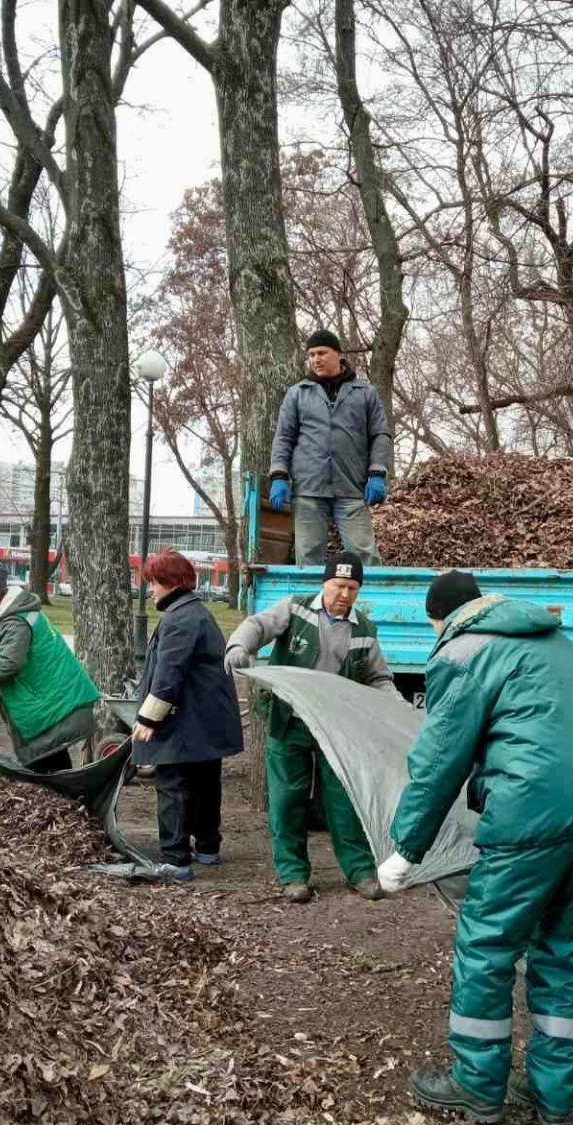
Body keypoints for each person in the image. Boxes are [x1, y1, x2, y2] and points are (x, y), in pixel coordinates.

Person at [377, 572, 573, 1125]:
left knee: (487, 946)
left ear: (441, 619)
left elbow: (440, 760)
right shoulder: (555, 641)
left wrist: (406, 847)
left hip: (531, 816)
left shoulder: (465, 652)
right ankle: (553, 1095)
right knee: (566, 952)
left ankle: (476, 1083)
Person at [225, 551, 397, 902]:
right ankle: (293, 875)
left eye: (352, 588)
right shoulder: (295, 609)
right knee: (288, 799)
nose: (344, 595)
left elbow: (378, 677)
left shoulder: (363, 630)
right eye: (338, 585)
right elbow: (258, 626)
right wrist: (239, 645)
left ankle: (360, 871)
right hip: (290, 722)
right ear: (325, 583)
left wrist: (395, 705)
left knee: (344, 801)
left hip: (337, 731)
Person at [132, 551, 245, 882]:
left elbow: (168, 675)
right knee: (205, 782)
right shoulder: (196, 613)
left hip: (186, 720)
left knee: (171, 784)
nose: (151, 590)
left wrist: (148, 719)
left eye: (154, 583)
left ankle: (174, 859)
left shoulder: (179, 619)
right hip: (206, 721)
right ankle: (208, 847)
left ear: (173, 584)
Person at [0, 559, 100, 774]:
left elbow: (10, 663)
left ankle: (74, 803)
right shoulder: (12, 614)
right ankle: (73, 803)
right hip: (53, 706)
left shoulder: (15, 620)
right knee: (53, 764)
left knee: (49, 766)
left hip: (52, 708)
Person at [267, 329, 391, 566]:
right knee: (308, 556)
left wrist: (377, 472)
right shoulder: (297, 394)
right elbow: (284, 437)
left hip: (352, 488)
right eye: (311, 354)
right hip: (308, 489)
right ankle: (311, 604)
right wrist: (279, 474)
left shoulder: (365, 393)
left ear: (338, 354)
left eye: (322, 353)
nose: (316, 359)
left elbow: (380, 435)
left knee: (364, 554)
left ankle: (367, 604)